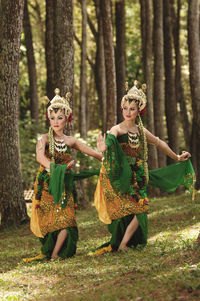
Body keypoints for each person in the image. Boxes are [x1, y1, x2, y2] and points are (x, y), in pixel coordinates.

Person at [89, 81, 194, 255]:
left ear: (139, 111)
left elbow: (159, 142)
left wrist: (176, 157)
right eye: (125, 108)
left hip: (138, 176)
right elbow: (110, 139)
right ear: (121, 109)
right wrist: (104, 148)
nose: (128, 112)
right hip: (121, 176)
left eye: (132, 108)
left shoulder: (140, 131)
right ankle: (120, 242)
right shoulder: (118, 129)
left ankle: (123, 244)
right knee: (127, 210)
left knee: (142, 209)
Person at [23, 88, 102, 262]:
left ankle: (56, 253)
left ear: (67, 118)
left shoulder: (70, 140)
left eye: (60, 118)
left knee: (67, 218)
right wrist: (56, 168)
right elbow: (39, 157)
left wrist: (103, 158)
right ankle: (51, 250)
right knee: (50, 217)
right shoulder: (43, 139)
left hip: (65, 184)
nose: (56, 122)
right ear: (48, 118)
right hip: (47, 183)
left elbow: (89, 151)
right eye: (52, 118)